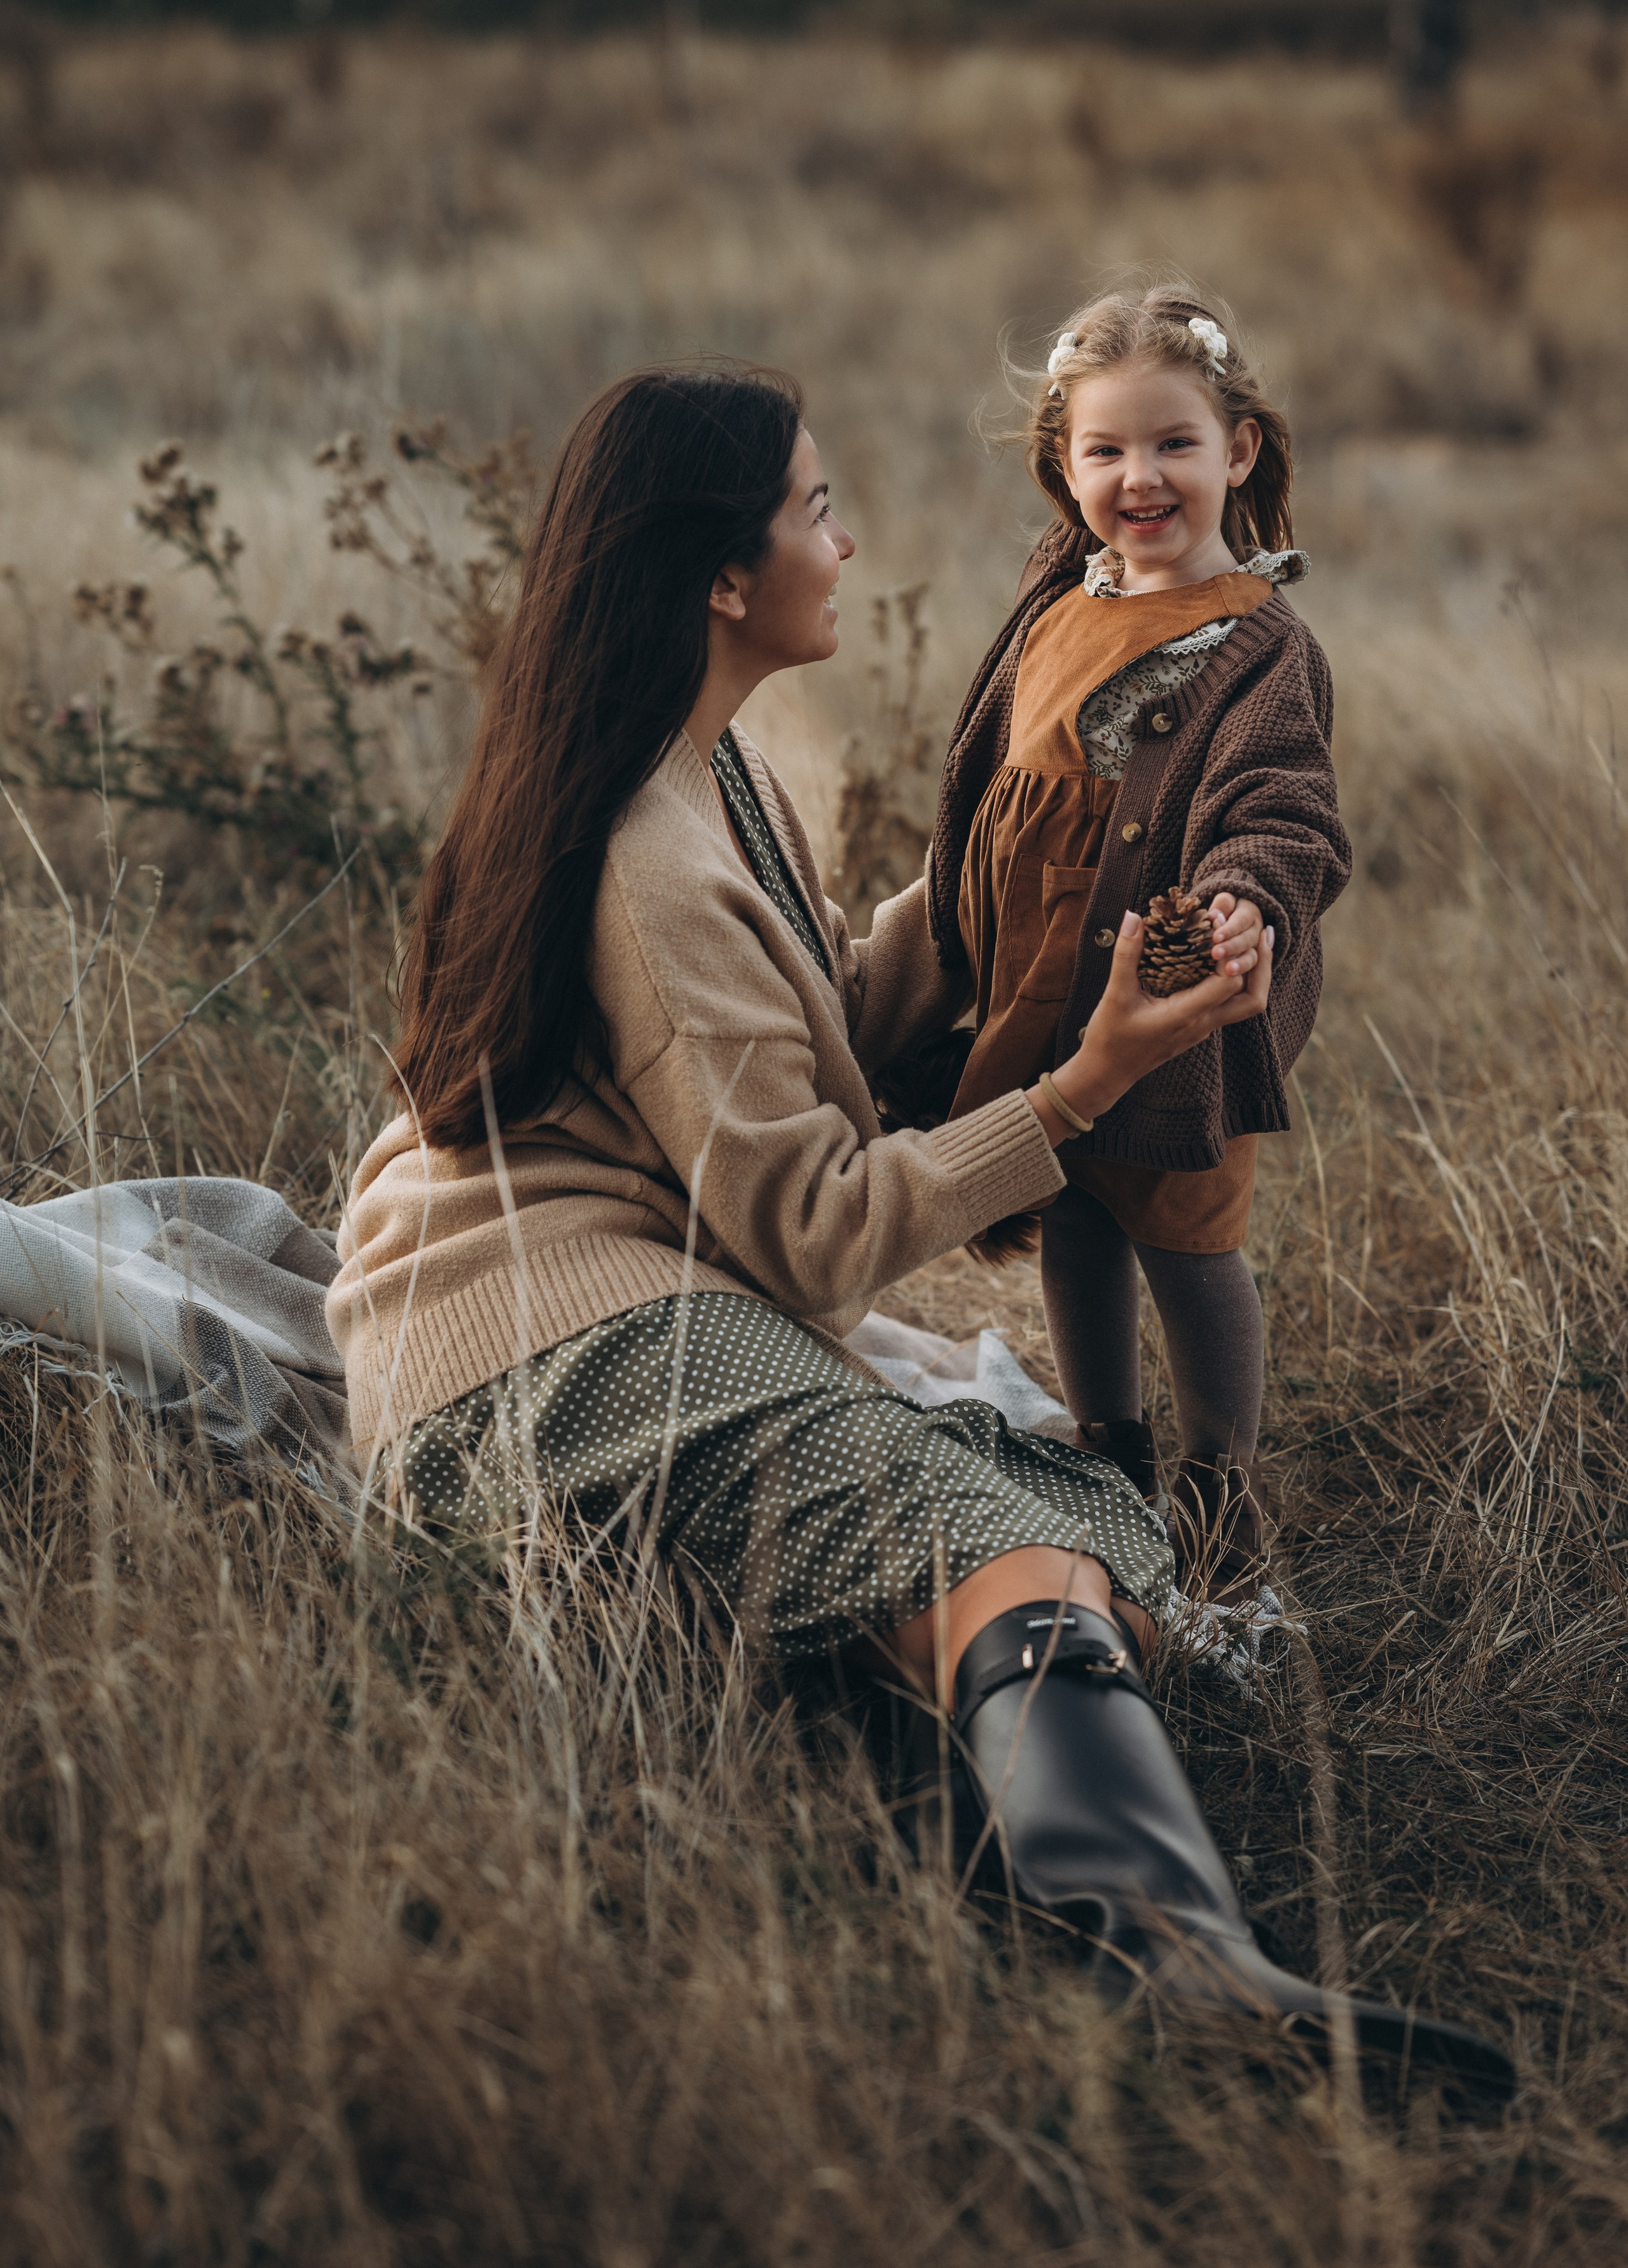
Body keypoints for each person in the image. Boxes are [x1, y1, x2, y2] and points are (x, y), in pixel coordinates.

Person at [326, 365, 1507, 2092]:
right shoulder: (648, 859)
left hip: (610, 1299)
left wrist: (1021, 902)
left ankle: (899, 1772)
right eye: (814, 510)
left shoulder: (694, 770)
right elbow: (813, 1232)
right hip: (541, 1340)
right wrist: (1086, 1081)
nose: (847, 540)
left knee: (1092, 1543)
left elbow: (811, 1026)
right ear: (726, 576)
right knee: (1000, 1543)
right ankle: (1167, 1956)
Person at [932, 285, 1349, 1602]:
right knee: (1070, 1205)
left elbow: (1282, 808)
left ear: (1237, 449)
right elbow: (999, 769)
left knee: (1184, 1233)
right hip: (1041, 991)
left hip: (1169, 997)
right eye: (1103, 449)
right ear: (1061, 463)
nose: (1138, 476)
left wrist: (1245, 899)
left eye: (1172, 442)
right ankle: (1105, 1453)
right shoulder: (1059, 595)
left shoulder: (1255, 643)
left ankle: (1218, 1489)